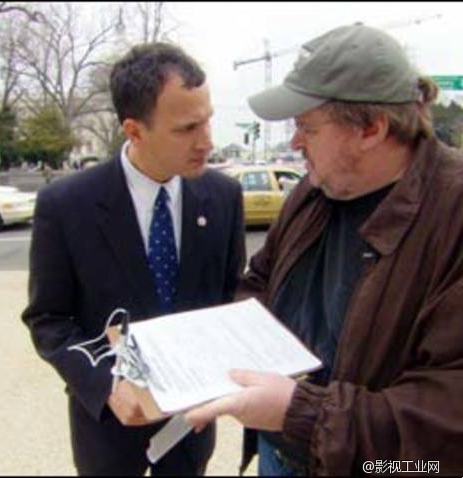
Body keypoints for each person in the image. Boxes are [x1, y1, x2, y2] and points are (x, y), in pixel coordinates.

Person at [184, 23, 463, 475]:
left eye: (306, 127)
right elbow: (260, 281)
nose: (294, 143)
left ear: (371, 128)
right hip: (283, 450)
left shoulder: (452, 215)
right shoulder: (314, 191)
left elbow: (446, 422)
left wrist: (301, 413)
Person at [21, 42, 246, 475]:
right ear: (134, 130)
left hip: (190, 427)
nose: (207, 142)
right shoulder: (67, 204)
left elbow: (225, 301)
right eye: (186, 129)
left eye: (207, 120)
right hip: (107, 432)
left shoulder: (223, 197)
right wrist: (105, 385)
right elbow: (48, 319)